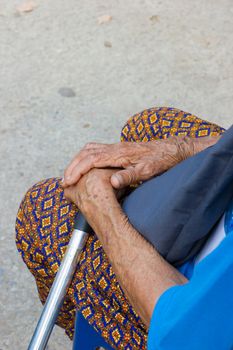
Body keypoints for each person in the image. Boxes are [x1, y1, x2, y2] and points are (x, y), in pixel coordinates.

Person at [16, 107, 230, 349]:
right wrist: (179, 148)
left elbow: (181, 333)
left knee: (42, 206)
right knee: (147, 126)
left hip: (186, 319)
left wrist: (100, 208)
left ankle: (103, 333)